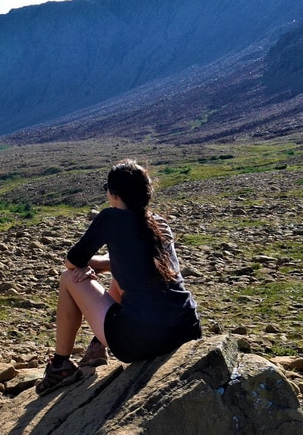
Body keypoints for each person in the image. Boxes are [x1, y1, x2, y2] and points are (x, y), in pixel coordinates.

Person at [36, 159, 202, 395]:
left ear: (113, 194)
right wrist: (96, 265)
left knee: (68, 277)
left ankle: (60, 365)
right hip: (187, 328)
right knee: (121, 278)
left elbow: (71, 261)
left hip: (141, 340)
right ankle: (96, 346)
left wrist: (82, 266)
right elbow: (133, 265)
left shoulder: (111, 218)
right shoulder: (158, 223)